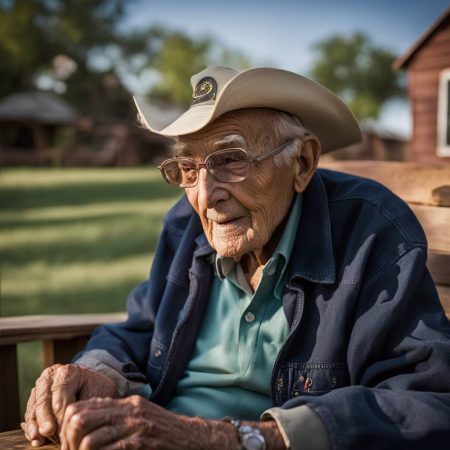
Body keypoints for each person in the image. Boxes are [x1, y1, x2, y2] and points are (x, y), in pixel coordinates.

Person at [23, 66, 450, 450]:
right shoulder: (184, 225)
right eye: (188, 169)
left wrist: (239, 439)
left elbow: (430, 401)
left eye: (230, 160)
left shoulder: (371, 231)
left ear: (302, 162)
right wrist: (98, 371)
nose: (206, 197)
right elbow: (143, 326)